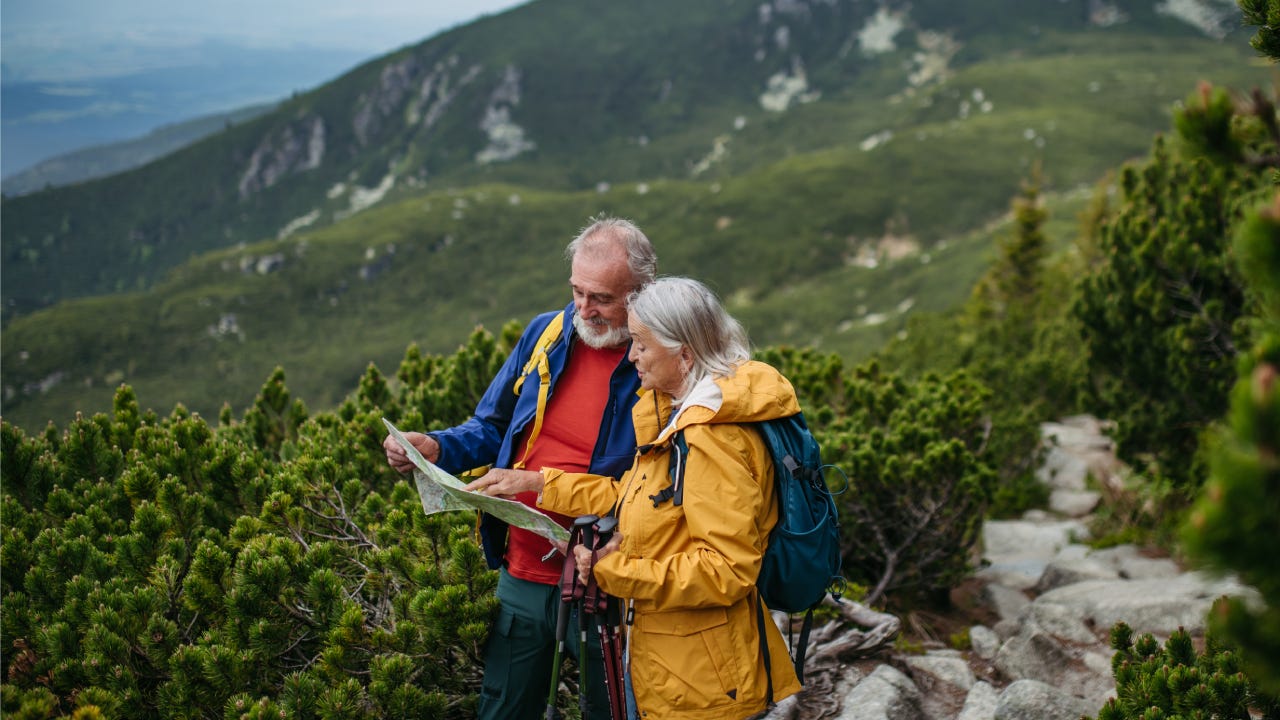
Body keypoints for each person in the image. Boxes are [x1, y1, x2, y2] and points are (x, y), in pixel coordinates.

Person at [382, 216, 657, 720]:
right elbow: (491, 427)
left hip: (610, 583)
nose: (583, 309)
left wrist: (537, 484)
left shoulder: (657, 362)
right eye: (577, 291)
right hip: (523, 572)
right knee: (503, 709)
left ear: (641, 293)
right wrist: (437, 448)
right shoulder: (546, 333)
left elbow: (655, 488)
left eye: (601, 298)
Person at [538, 276, 804, 719]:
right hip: (674, 663)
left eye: (640, 343)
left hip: (703, 686)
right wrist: (540, 486)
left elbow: (726, 569)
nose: (631, 355)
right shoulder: (682, 416)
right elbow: (644, 499)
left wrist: (613, 570)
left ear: (683, 353)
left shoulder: (711, 437)